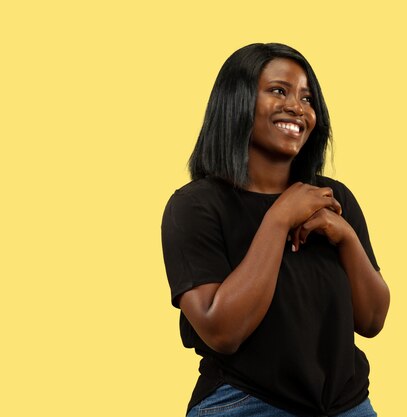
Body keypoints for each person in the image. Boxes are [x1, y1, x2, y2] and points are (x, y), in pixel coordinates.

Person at [161, 43, 390, 417]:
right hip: (246, 403)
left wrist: (346, 236)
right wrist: (279, 217)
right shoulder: (195, 206)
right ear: (236, 100)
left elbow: (372, 320)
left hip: (349, 407)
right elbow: (222, 332)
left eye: (307, 97)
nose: (297, 108)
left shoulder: (334, 198)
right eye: (278, 91)